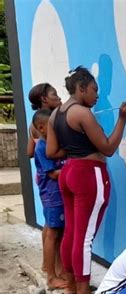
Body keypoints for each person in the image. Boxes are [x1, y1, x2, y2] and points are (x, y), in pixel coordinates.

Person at [46, 66, 126, 294]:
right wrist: (122, 119)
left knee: (72, 232)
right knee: (84, 238)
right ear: (81, 88)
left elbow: (52, 151)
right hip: (88, 175)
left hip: (69, 173)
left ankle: (71, 285)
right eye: (94, 90)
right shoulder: (82, 113)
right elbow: (107, 148)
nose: (96, 95)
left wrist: (76, 145)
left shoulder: (55, 115)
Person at [27, 83, 62, 272]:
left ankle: (47, 266)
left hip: (43, 178)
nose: (58, 97)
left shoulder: (35, 124)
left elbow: (28, 152)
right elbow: (37, 151)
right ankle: (54, 269)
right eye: (54, 94)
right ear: (44, 99)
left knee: (49, 226)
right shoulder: (46, 124)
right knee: (54, 230)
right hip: (51, 178)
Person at [31, 109, 66, 289]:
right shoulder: (42, 147)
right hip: (53, 197)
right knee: (52, 234)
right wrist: (73, 170)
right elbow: (53, 174)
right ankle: (51, 277)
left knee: (59, 234)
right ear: (42, 128)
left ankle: (59, 272)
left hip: (58, 196)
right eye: (55, 128)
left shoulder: (53, 145)